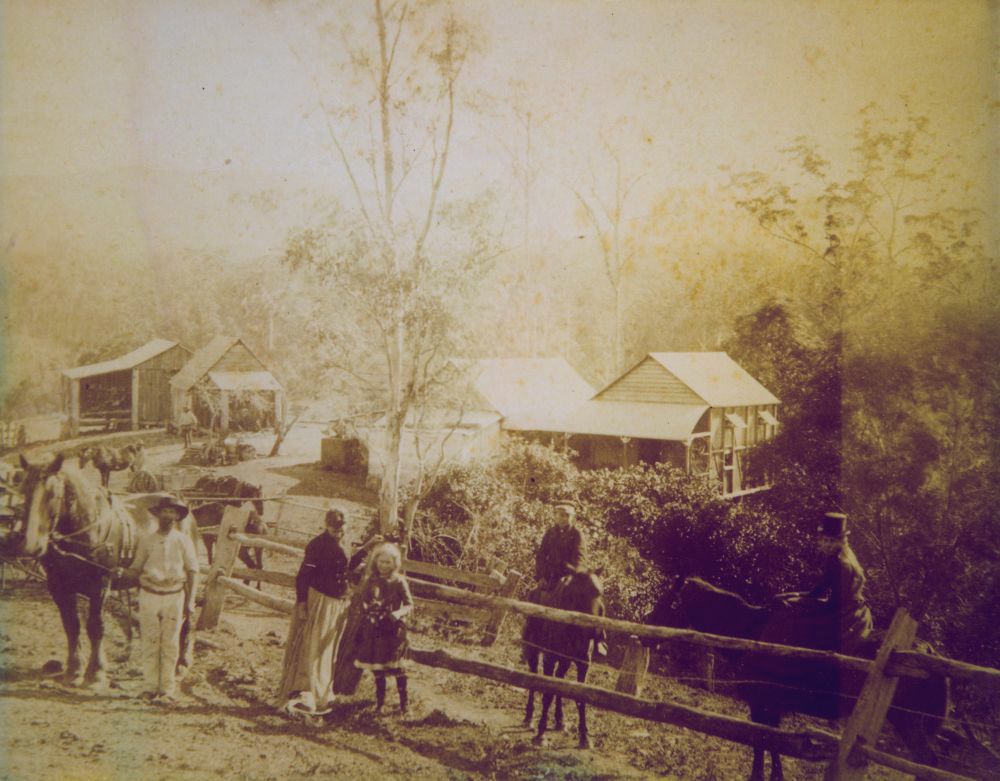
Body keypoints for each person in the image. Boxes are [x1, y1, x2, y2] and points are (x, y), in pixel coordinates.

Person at [277, 509, 378, 715]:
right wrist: (302, 604)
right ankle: (304, 691)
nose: (338, 532)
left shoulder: (343, 541)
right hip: (319, 600)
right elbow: (303, 575)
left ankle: (320, 692)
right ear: (326, 524)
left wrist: (367, 548)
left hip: (336, 602)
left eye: (341, 529)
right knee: (312, 646)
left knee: (325, 649)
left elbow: (345, 566)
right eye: (334, 529)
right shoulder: (317, 545)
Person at [119, 496, 199, 702]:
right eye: (165, 511)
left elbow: (193, 571)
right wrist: (119, 571)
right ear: (158, 515)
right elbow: (136, 568)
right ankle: (150, 687)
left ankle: (167, 690)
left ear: (177, 517)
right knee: (150, 642)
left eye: (173, 512)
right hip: (149, 595)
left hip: (174, 596)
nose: (168, 516)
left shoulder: (183, 541)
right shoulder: (147, 540)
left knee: (171, 644)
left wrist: (190, 601)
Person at [776, 512, 873, 652]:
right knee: (789, 602)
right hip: (838, 605)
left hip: (845, 613)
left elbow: (834, 603)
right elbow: (820, 590)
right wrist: (792, 595)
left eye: (832, 541)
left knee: (795, 619)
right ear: (820, 540)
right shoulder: (834, 558)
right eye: (825, 540)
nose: (828, 545)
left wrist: (799, 602)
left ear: (841, 542)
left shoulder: (842, 563)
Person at [353, 542, 413, 715]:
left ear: (394, 564)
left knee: (397, 668)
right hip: (376, 630)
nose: (383, 565)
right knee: (378, 667)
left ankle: (404, 705)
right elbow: (364, 600)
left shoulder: (399, 581)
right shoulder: (371, 580)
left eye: (387, 562)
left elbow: (409, 604)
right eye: (380, 561)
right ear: (375, 562)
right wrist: (369, 610)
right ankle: (380, 704)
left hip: (393, 630)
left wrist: (398, 613)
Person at [535, 498, 585, 594]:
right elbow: (541, 555)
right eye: (561, 515)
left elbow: (580, 561)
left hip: (567, 581)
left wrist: (570, 578)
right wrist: (541, 577)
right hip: (548, 579)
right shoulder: (550, 533)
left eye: (568, 515)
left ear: (572, 517)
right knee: (533, 597)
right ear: (555, 516)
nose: (564, 518)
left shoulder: (577, 534)